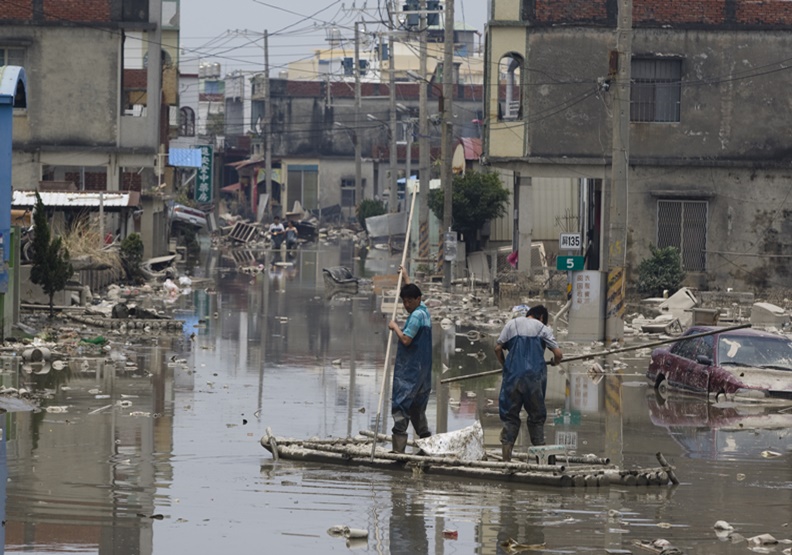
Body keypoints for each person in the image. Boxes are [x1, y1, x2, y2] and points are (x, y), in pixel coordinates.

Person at [494, 305, 563, 462]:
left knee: (510, 418)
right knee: (536, 419)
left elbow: (497, 348)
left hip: (513, 378)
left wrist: (505, 366)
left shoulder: (512, 324)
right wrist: (555, 362)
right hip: (534, 380)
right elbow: (558, 353)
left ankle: (506, 462)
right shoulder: (542, 328)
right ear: (541, 318)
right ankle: (542, 462)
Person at [387, 267, 432, 453]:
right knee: (417, 410)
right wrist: (406, 277)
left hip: (410, 372)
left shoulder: (415, 318)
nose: (406, 305)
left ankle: (398, 451)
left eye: (409, 301)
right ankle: (427, 447)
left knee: (401, 406)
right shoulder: (424, 311)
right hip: (423, 371)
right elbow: (412, 291)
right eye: (403, 301)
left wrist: (395, 327)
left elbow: (406, 340)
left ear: (418, 300)